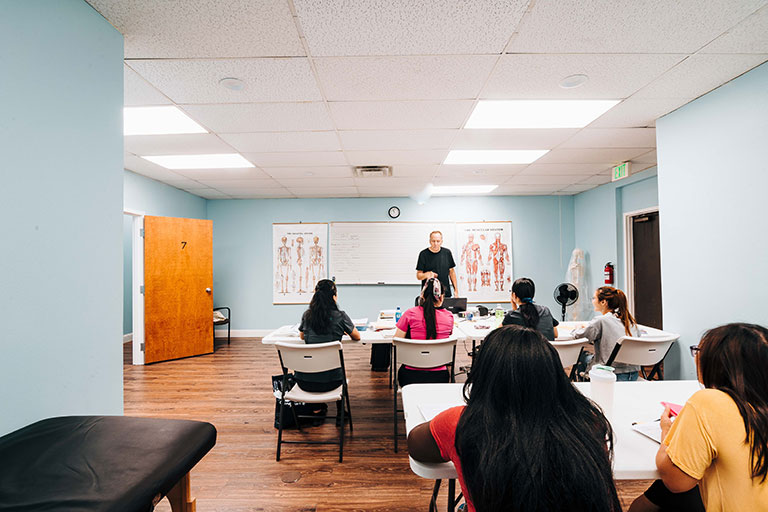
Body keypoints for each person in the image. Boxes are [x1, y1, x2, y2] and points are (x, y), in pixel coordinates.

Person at [407, 326, 622, 512]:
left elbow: (416, 445)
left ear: (483, 375)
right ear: (554, 375)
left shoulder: (463, 423)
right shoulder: (588, 421)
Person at [630, 323, 768, 512]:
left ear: (718, 363)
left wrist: (667, 432)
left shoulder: (709, 402)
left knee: (659, 496)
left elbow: (675, 481)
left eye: (699, 350)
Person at [296, 279, 360, 392]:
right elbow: (357, 336)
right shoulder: (341, 316)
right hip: (332, 381)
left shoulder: (307, 315)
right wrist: (341, 330)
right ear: (334, 296)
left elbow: (302, 336)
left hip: (304, 382)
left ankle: (316, 407)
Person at [394, 277, 454, 386]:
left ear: (422, 296)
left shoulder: (409, 313)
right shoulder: (449, 316)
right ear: (441, 297)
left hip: (410, 376)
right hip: (440, 377)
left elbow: (396, 341)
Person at [573, 286, 640, 381]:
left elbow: (579, 336)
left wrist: (577, 328)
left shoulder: (601, 321)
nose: (592, 301)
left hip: (609, 373)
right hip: (633, 374)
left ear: (603, 302)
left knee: (582, 356)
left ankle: (584, 388)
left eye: (594, 298)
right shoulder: (630, 322)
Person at [416, 230, 459, 298]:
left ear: (441, 241)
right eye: (433, 241)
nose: (435, 243)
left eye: (438, 241)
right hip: (428, 295)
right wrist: (426, 274)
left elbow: (452, 272)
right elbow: (419, 276)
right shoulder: (423, 254)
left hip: (445, 294)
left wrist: (456, 290)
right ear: (430, 241)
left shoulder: (447, 253)